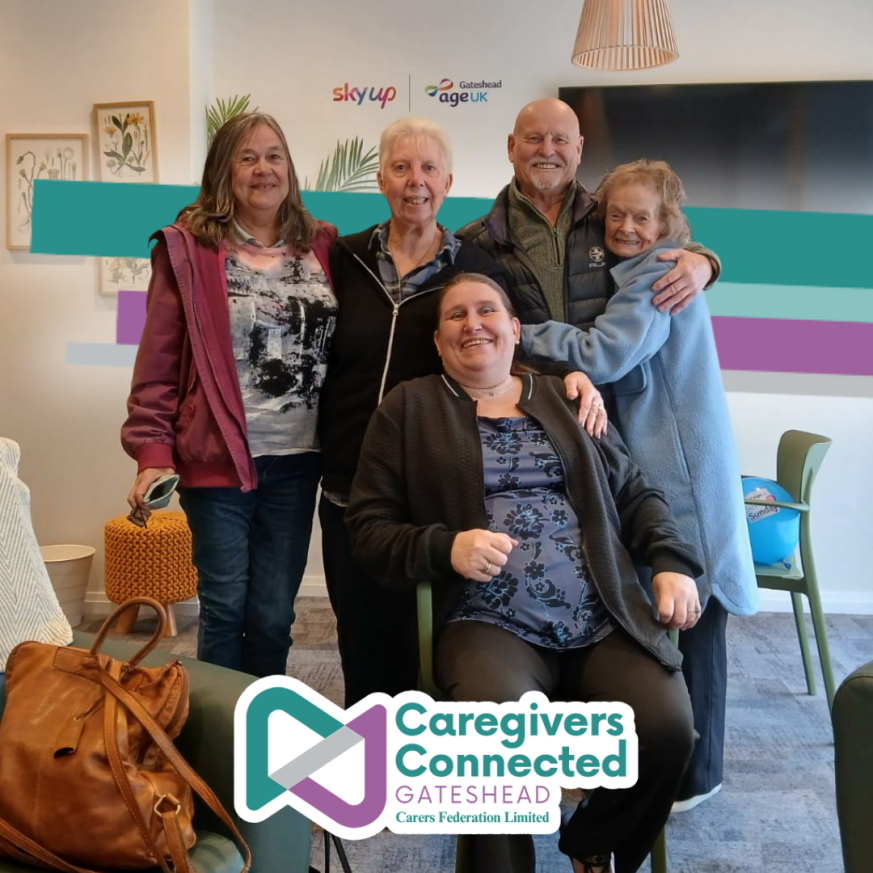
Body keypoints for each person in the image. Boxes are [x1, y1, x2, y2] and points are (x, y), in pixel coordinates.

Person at [346, 273, 704, 873]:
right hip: (488, 619)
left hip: (603, 612)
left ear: (515, 329)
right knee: (496, 742)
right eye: (456, 316)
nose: (473, 323)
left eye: (487, 310)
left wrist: (670, 563)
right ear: (438, 342)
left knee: (668, 729)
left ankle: (594, 839)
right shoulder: (409, 407)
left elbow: (636, 492)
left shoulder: (567, 396)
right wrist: (446, 547)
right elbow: (368, 528)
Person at [457, 98, 727, 810]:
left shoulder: (608, 218)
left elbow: (640, 290)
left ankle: (685, 774)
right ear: (511, 146)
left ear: (580, 151)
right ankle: (593, 760)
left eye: (561, 139)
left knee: (665, 592)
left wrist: (701, 260)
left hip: (626, 442)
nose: (546, 149)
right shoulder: (476, 240)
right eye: (533, 138)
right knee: (581, 590)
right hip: (542, 435)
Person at [318, 116, 606, 708]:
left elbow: (511, 339)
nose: (414, 182)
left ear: (447, 182)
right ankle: (371, 773)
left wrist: (570, 376)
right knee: (361, 639)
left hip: (429, 490)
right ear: (380, 179)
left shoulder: (472, 262)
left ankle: (433, 766)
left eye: (428, 169)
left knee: (424, 639)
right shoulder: (345, 259)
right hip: (349, 485)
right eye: (401, 168)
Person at [520, 159, 758, 811]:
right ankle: (688, 768)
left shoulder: (657, 273)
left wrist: (516, 331)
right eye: (615, 213)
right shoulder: (650, 266)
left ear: (666, 222)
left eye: (641, 216)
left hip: (680, 470)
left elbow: (603, 354)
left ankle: (691, 776)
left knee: (693, 608)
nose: (625, 225)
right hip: (669, 464)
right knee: (680, 610)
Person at [121, 113, 337, 678]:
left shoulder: (322, 245)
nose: (263, 169)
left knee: (272, 615)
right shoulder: (189, 251)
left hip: (298, 459)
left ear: (289, 168)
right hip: (216, 460)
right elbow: (159, 361)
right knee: (223, 609)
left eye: (274, 156)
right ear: (224, 171)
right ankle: (219, 744)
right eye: (247, 158)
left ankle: (265, 734)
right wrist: (151, 453)